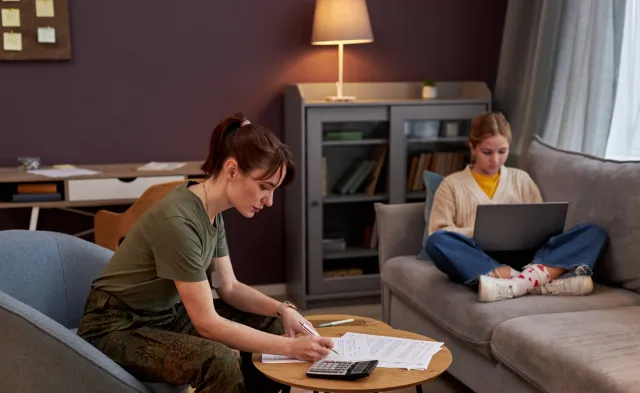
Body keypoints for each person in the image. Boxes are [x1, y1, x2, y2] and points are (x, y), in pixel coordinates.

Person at [77, 112, 334, 393]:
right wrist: (290, 347)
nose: (269, 201)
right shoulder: (179, 222)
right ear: (233, 169)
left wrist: (283, 310)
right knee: (218, 360)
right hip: (115, 327)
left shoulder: (211, 212)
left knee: (270, 323)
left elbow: (230, 288)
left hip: (165, 314)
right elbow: (207, 324)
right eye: (264, 187)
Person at [424, 112, 608, 302]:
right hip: (479, 257)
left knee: (594, 233)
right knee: (436, 242)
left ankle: (516, 284)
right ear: (473, 148)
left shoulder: (521, 179)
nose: (495, 159)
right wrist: (479, 232)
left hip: (528, 257)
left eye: (502, 151)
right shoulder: (451, 185)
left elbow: (542, 225)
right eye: (487, 152)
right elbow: (438, 231)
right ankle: (534, 283)